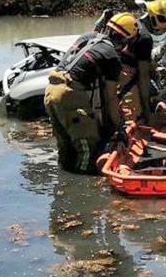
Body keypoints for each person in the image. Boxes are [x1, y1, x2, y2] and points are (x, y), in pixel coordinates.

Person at [43, 13, 137, 173]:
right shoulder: (111, 57)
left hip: (51, 90)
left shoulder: (88, 36)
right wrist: (118, 128)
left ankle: (61, 185)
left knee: (65, 147)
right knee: (88, 149)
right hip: (69, 95)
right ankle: (82, 190)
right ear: (125, 41)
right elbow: (111, 97)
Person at [117, 0, 166, 123]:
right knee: (133, 118)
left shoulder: (131, 23)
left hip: (110, 75)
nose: (164, 31)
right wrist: (146, 111)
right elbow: (143, 77)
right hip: (123, 79)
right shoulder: (144, 38)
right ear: (156, 20)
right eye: (164, 29)